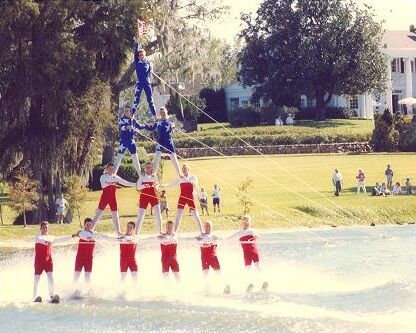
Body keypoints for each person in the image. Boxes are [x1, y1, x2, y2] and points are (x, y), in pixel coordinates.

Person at [33, 221, 73, 303]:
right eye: (43, 228)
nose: (45, 229)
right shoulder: (37, 236)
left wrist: (72, 236)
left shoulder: (51, 237)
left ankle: (52, 296)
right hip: (39, 261)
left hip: (48, 260)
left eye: (46, 228)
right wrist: (46, 242)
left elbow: (61, 239)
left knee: (50, 277)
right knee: (37, 279)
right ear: (40, 228)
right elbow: (40, 240)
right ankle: (34, 296)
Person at [91, 162, 136, 235]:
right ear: (107, 169)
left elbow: (125, 182)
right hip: (104, 198)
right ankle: (90, 229)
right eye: (109, 169)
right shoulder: (103, 176)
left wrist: (135, 184)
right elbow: (103, 185)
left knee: (115, 215)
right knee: (98, 214)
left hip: (113, 199)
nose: (111, 170)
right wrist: (110, 183)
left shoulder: (115, 177)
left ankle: (118, 232)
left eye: (112, 169)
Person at [72, 218, 114, 295]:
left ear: (92, 225)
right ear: (84, 225)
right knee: (76, 275)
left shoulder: (94, 233)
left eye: (90, 225)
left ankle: (87, 290)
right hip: (80, 258)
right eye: (87, 224)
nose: (88, 226)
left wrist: (116, 238)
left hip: (89, 259)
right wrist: (94, 236)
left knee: (88, 276)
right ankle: (73, 290)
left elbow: (105, 236)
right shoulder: (81, 232)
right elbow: (88, 238)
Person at [227, 215, 267, 292]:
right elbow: (230, 238)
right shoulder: (240, 232)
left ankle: (263, 282)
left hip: (254, 251)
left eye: (247, 221)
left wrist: (256, 236)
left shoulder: (252, 230)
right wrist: (222, 239)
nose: (245, 222)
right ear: (242, 222)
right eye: (244, 221)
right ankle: (250, 284)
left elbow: (257, 235)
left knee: (258, 266)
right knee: (248, 269)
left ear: (250, 222)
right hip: (246, 254)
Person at [162, 163, 203, 233]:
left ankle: (201, 231)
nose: (183, 170)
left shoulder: (193, 177)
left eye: (185, 168)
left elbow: (197, 187)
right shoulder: (180, 178)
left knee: (195, 214)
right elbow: (172, 184)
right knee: (178, 214)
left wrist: (195, 194)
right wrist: (162, 186)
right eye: (182, 169)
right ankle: (175, 231)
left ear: (188, 169)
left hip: (190, 197)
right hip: (182, 197)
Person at [143, 107, 181, 177]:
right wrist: (143, 126)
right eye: (161, 113)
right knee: (157, 157)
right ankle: (153, 174)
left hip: (168, 141)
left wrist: (172, 127)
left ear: (166, 112)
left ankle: (179, 174)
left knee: (174, 157)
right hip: (160, 142)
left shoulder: (170, 121)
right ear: (160, 114)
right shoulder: (158, 121)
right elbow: (152, 128)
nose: (163, 114)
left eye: (164, 112)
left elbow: (173, 128)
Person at [196, 221, 230, 294]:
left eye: (209, 226)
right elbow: (199, 242)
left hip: (213, 257)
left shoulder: (214, 235)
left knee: (218, 273)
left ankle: (225, 287)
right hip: (204, 258)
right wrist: (203, 244)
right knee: (205, 273)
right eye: (206, 226)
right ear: (204, 227)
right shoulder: (201, 235)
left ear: (211, 227)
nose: (208, 228)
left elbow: (220, 238)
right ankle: (206, 289)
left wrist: (220, 238)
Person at [113, 103, 145, 175]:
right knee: (119, 157)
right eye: (125, 111)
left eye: (128, 111)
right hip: (124, 141)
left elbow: (139, 126)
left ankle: (140, 175)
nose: (126, 112)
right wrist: (127, 127)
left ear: (130, 112)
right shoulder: (121, 119)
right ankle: (113, 174)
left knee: (135, 157)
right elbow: (120, 128)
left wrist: (148, 126)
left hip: (131, 142)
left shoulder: (133, 120)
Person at [136, 161, 163, 234]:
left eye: (150, 167)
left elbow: (157, 185)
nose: (148, 169)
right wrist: (144, 186)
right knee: (141, 214)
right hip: (144, 196)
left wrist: (156, 187)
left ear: (152, 168)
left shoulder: (154, 176)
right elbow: (138, 187)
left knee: (158, 213)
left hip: (153, 196)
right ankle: (136, 233)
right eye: (147, 167)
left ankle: (160, 231)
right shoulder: (142, 176)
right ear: (144, 168)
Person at [132, 40, 157, 118]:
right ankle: (132, 115)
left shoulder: (149, 63)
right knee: (136, 99)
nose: (141, 56)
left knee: (150, 100)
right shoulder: (137, 61)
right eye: (140, 55)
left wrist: (151, 70)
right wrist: (137, 42)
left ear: (145, 55)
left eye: (142, 55)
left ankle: (155, 116)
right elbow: (136, 52)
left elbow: (151, 70)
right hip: (139, 83)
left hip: (147, 83)